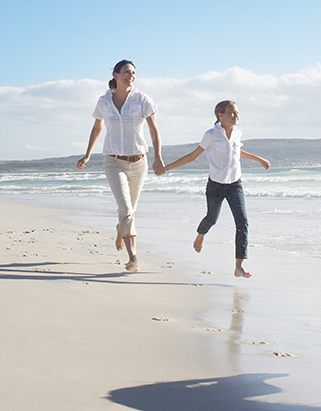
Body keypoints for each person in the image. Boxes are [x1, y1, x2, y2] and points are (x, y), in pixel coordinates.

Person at [157, 100, 270, 278]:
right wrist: (166, 168)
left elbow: (237, 151)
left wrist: (258, 158)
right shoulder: (211, 135)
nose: (236, 116)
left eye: (237, 113)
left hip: (235, 184)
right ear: (220, 116)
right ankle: (201, 234)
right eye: (232, 113)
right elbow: (193, 156)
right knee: (212, 218)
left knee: (242, 222)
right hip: (216, 185)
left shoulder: (237, 133)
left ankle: (239, 266)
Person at [77, 60, 163, 272]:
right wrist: (88, 154)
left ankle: (120, 229)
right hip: (113, 161)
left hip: (139, 162)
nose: (130, 76)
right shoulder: (104, 102)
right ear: (116, 75)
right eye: (126, 72)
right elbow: (97, 128)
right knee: (125, 208)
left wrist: (158, 157)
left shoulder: (142, 99)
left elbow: (153, 130)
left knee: (130, 210)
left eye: (133, 73)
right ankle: (133, 257)